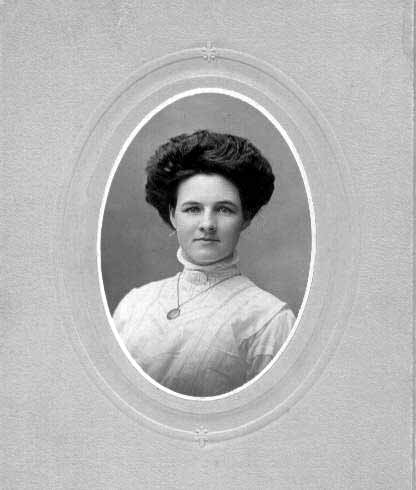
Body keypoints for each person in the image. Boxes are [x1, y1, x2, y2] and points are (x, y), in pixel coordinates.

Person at [113, 129, 296, 397]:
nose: (207, 225)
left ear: (245, 218)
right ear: (173, 215)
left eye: (224, 209)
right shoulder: (133, 305)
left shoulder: (269, 320)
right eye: (193, 209)